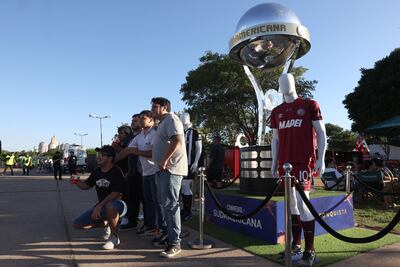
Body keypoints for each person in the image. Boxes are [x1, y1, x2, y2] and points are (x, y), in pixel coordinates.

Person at [270, 73, 327, 267]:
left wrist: (321, 158)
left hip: (303, 163)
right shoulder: (277, 111)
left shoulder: (309, 104)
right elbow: (275, 139)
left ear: (294, 83)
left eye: (288, 80)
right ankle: (296, 245)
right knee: (292, 204)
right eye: (281, 82)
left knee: (304, 205)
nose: (285, 84)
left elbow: (321, 132)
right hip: (284, 165)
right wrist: (273, 162)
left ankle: (310, 251)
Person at [151, 97, 188, 258]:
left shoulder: (172, 119)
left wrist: (165, 160)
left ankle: (175, 243)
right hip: (163, 170)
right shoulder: (163, 123)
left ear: (164, 107)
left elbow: (177, 141)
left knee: (171, 205)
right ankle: (170, 238)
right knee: (166, 205)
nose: (152, 109)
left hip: (171, 169)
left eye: (155, 106)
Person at [72, 145, 128, 250]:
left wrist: (99, 205)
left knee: (110, 206)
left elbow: (116, 193)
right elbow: (86, 186)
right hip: (103, 207)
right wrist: (77, 181)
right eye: (98, 154)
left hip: (119, 206)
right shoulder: (97, 171)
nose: (98, 157)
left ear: (110, 158)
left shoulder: (116, 171)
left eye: (102, 155)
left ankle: (114, 237)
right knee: (77, 224)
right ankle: (107, 223)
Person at [114, 114, 145, 232]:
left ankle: (149, 224)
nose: (133, 123)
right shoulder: (134, 137)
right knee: (132, 198)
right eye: (133, 121)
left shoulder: (145, 135)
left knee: (144, 199)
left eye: (136, 120)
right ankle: (132, 221)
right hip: (132, 172)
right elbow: (126, 152)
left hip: (142, 172)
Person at [180, 112, 203, 221]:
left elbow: (199, 148)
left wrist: (196, 162)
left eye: (184, 117)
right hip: (179, 163)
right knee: (181, 186)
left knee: (185, 185)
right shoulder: (179, 132)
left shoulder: (195, 132)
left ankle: (187, 211)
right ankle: (184, 210)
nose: (182, 119)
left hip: (190, 164)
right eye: (181, 117)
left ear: (188, 119)